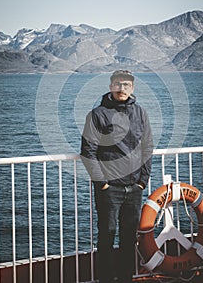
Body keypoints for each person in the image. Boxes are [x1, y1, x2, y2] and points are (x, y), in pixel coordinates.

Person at [80, 70, 153, 283]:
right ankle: (105, 279)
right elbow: (88, 151)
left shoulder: (140, 113)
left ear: (133, 88)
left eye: (127, 85)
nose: (122, 88)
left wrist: (142, 181)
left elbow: (147, 148)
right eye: (118, 84)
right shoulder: (97, 114)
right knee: (107, 236)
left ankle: (125, 278)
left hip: (134, 188)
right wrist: (101, 182)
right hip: (109, 188)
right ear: (111, 86)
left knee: (129, 239)